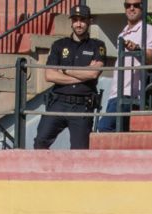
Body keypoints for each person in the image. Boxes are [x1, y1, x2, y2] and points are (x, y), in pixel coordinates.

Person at [34, 4, 106, 150]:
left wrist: (65, 70)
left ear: (89, 21)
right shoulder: (59, 45)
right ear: (71, 22)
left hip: (82, 106)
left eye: (83, 20)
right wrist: (82, 75)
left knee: (79, 151)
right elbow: (49, 75)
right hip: (58, 103)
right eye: (75, 20)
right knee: (40, 142)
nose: (78, 24)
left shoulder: (97, 46)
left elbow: (94, 73)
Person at [96, 0, 152, 133]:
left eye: (136, 5)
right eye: (128, 5)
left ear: (142, 8)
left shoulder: (147, 29)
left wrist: (137, 48)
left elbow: (151, 58)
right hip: (116, 91)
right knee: (120, 132)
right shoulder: (122, 34)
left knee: (105, 127)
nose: (132, 8)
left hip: (129, 93)